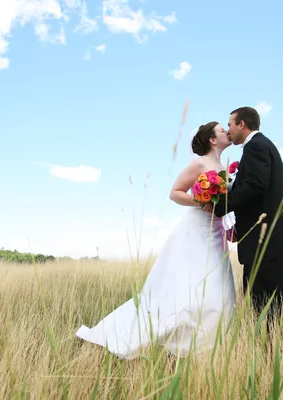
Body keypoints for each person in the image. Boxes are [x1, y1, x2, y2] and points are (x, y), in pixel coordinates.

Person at [75, 121, 237, 359]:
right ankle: (174, 343)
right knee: (188, 290)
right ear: (213, 140)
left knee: (221, 292)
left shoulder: (222, 165)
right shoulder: (200, 164)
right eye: (222, 130)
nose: (226, 131)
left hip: (216, 232)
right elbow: (175, 193)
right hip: (196, 230)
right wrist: (202, 201)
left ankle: (209, 350)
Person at [205, 106, 283, 324]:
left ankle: (270, 351)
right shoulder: (262, 145)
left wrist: (220, 206)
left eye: (230, 124)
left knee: (265, 305)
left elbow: (254, 187)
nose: (228, 129)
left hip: (263, 243)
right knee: (268, 304)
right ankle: (272, 350)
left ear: (241, 124)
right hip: (266, 242)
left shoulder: (255, 147)